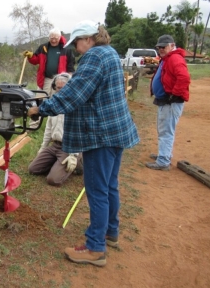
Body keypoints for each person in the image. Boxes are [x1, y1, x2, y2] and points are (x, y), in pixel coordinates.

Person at [27, 20, 140, 267]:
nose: (76, 49)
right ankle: (110, 232)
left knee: (97, 190)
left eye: (77, 43)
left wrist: (41, 108)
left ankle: (95, 248)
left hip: (100, 134)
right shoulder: (109, 53)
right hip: (115, 131)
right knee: (110, 186)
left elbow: (74, 93)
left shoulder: (94, 57)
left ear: (88, 39)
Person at [28, 73, 83, 186]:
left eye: (63, 88)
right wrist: (43, 147)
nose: (60, 91)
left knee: (53, 180)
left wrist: (73, 155)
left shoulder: (76, 105)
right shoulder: (53, 104)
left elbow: (80, 132)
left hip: (70, 146)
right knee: (33, 169)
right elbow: (48, 129)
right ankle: (58, 163)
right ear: (54, 87)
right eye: (58, 88)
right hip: (55, 145)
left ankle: (79, 161)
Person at [145, 35, 190, 171]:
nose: (161, 50)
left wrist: (173, 95)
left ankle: (163, 161)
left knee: (166, 131)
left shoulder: (175, 59)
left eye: (163, 47)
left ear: (172, 45)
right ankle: (164, 155)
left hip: (170, 102)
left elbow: (184, 77)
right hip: (165, 101)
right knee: (164, 129)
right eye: (159, 48)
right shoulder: (168, 59)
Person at [23, 28, 76, 96]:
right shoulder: (43, 47)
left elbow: (70, 65)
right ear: (49, 37)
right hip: (45, 79)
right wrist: (30, 56)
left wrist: (69, 78)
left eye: (56, 38)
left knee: (56, 100)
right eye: (51, 38)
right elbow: (35, 60)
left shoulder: (66, 49)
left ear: (60, 37)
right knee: (40, 100)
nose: (53, 40)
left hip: (60, 81)